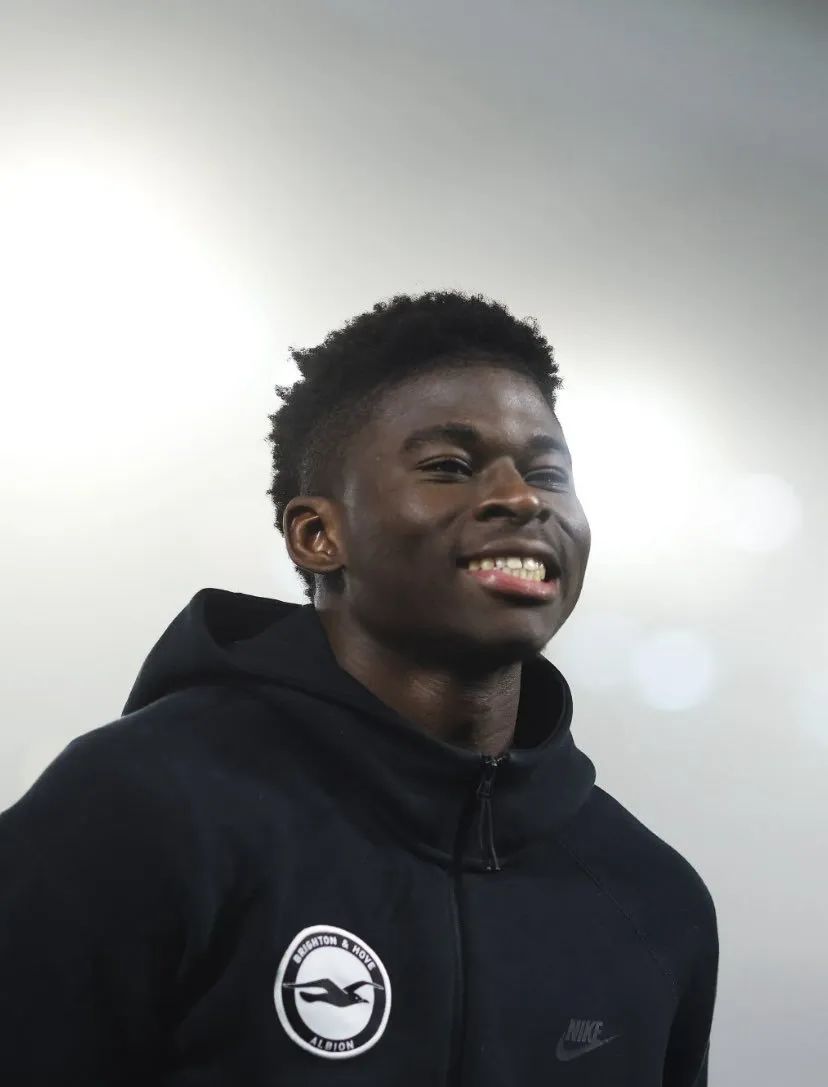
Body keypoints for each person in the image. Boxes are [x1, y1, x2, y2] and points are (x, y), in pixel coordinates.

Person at [0, 290, 718, 1085]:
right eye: (449, 466)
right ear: (318, 534)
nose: (522, 498)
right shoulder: (135, 811)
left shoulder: (653, 900)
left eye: (548, 473)